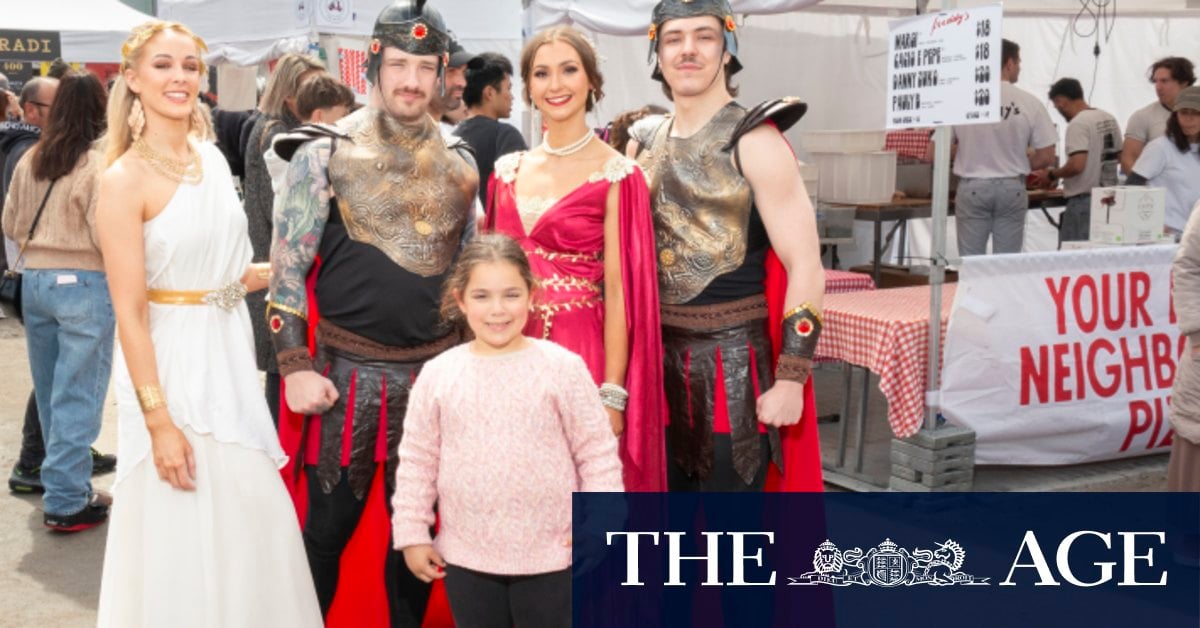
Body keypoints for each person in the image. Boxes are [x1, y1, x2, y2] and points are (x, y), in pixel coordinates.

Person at [92, 21, 321, 625]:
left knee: (248, 511)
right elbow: (130, 313)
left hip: (229, 359)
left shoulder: (212, 160)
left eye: (190, 66)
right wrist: (158, 420)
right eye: (163, 66)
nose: (179, 78)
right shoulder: (121, 181)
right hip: (169, 366)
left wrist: (303, 262)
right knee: (176, 524)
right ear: (134, 80)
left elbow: (230, 274)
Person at [267, 1, 479, 623]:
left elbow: (468, 278)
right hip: (345, 375)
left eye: (423, 67)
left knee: (415, 531)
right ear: (374, 67)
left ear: (441, 74)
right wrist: (295, 365)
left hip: (436, 379)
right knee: (328, 528)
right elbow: (285, 268)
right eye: (398, 65)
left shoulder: (463, 161)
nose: (410, 81)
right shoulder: (322, 152)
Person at [636, 0, 824, 492]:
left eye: (705, 36)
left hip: (734, 369)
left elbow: (804, 263)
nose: (689, 50)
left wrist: (792, 377)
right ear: (656, 51)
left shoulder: (754, 139)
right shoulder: (642, 143)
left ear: (727, 48)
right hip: (657, 371)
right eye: (674, 38)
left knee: (731, 548)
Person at [392, 234, 623, 628]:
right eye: (482, 296)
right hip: (467, 557)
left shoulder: (563, 367)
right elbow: (417, 461)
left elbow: (597, 453)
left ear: (532, 296)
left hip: (554, 554)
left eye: (511, 295)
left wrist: (599, 523)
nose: (497, 310)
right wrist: (412, 532)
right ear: (460, 300)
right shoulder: (439, 374)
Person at [484, 25, 666, 491]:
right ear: (528, 88)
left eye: (569, 70)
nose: (556, 84)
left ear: (591, 81)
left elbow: (623, 293)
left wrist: (613, 394)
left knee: (577, 502)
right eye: (542, 74)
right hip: (507, 350)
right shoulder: (506, 172)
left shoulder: (618, 176)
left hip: (582, 352)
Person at [1, 70, 114, 530]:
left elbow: (10, 223)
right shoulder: (98, 164)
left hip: (35, 282)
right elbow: (106, 233)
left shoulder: (32, 158)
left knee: (51, 393)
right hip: (84, 282)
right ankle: (67, 499)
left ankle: (64, 486)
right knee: (78, 395)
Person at [243, 53, 325, 425]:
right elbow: (284, 211)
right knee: (283, 370)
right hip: (275, 267)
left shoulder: (271, 127)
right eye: (310, 87)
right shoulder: (279, 135)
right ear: (290, 94)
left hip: (271, 263)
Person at [952, 39, 1056, 256]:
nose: (1020, 67)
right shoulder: (1029, 102)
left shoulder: (960, 99)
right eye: (1018, 62)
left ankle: (973, 291)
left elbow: (933, 153)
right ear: (1008, 63)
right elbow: (1047, 155)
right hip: (1011, 187)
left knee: (971, 264)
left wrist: (966, 152)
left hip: (973, 186)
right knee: (1007, 264)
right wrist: (1020, 161)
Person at [1038, 77, 1122, 243]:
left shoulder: (1078, 124)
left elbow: (1077, 165)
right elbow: (1119, 156)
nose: (1058, 110)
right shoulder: (1108, 118)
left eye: (1056, 106)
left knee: (1076, 260)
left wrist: (1052, 174)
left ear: (1061, 101)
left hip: (1084, 204)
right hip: (1110, 201)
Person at [454, 51, 527, 205]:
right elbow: (522, 195)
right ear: (490, 93)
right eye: (508, 88)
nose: (512, 96)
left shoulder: (453, 139)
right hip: (496, 227)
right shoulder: (505, 136)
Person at [263, 74, 355, 192]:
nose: (347, 123)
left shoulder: (286, 151)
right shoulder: (317, 161)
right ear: (319, 116)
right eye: (344, 116)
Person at [1129, 86, 1200, 234]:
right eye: (1183, 112)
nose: (1189, 119)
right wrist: (1150, 223)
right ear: (1175, 116)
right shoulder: (1160, 147)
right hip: (1168, 235)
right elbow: (1132, 185)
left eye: (1196, 113)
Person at [1121, 57, 1195, 176]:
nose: (1158, 87)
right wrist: (1149, 188)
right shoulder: (1142, 116)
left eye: (1164, 81)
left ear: (1184, 82)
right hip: (1158, 190)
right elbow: (1128, 161)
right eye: (1156, 81)